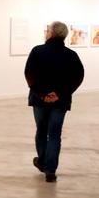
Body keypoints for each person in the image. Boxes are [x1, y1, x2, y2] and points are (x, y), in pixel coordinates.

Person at [25, 21, 85, 182]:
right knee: (55, 135)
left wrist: (42, 94)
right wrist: (60, 94)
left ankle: (43, 162)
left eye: (47, 30)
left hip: (39, 100)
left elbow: (29, 74)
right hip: (60, 101)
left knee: (41, 131)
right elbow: (78, 77)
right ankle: (50, 170)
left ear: (50, 33)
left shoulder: (37, 51)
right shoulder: (71, 55)